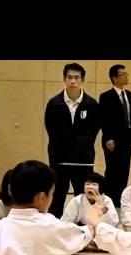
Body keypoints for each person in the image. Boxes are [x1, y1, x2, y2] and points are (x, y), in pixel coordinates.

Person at [44, 62, 100, 219]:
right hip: (59, 160)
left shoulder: (92, 104)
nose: (73, 81)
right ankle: (54, 226)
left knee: (83, 196)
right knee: (57, 197)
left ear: (82, 80)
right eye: (70, 77)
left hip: (83, 160)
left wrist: (79, 148)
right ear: (64, 79)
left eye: (77, 77)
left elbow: (93, 131)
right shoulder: (54, 104)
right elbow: (51, 130)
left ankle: (83, 227)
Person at [99, 64, 131, 208]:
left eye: (126, 74)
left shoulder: (130, 95)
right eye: (123, 74)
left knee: (124, 170)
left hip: (127, 139)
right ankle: (110, 198)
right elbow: (104, 119)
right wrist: (108, 137)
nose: (126, 77)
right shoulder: (106, 96)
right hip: (113, 140)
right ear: (114, 78)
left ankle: (120, 199)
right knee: (112, 170)